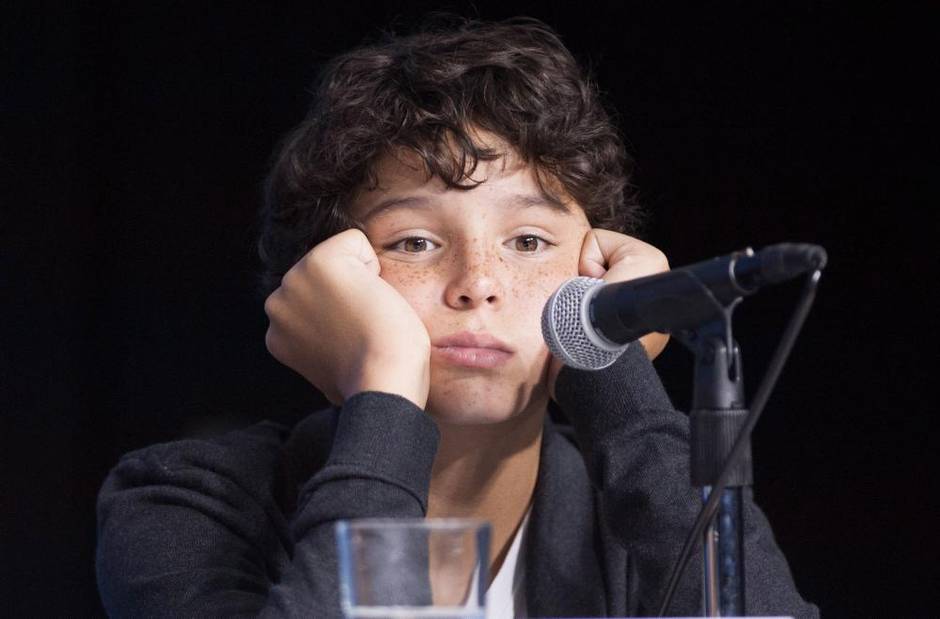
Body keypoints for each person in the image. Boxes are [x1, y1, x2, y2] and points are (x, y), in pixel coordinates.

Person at [96, 16, 818, 618]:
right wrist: (385, 384)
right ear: (329, 285)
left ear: (592, 269)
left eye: (528, 242)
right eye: (415, 242)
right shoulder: (181, 504)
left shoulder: (642, 502)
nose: (478, 284)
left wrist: (609, 363)